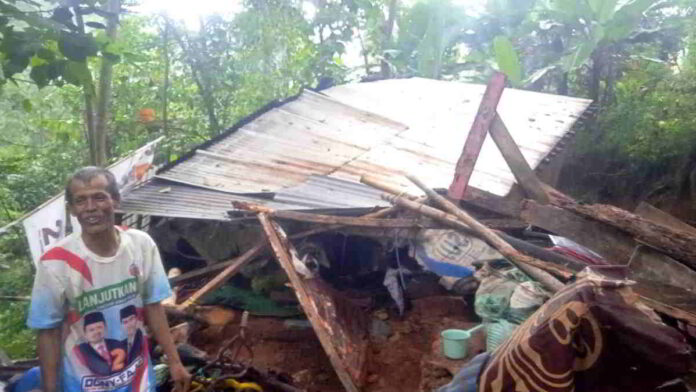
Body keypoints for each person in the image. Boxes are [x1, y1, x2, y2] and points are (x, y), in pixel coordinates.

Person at [27, 167, 191, 392]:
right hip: (83, 383)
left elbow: (153, 306)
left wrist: (174, 361)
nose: (91, 207)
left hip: (138, 378)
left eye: (99, 197)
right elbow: (47, 332)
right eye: (81, 200)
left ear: (115, 199)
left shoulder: (140, 244)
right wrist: (50, 388)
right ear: (72, 209)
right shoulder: (56, 262)